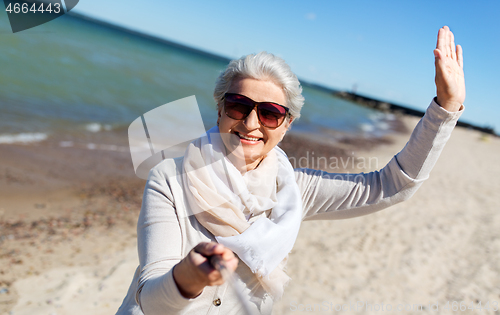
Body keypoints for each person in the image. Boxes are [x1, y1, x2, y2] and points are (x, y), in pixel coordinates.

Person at [116, 26, 465, 315]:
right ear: (220, 111)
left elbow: (391, 186)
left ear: (286, 126)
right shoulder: (170, 178)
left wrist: (445, 108)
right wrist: (189, 276)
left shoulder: (294, 190)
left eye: (269, 113)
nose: (251, 123)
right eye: (238, 106)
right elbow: (149, 300)